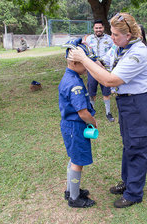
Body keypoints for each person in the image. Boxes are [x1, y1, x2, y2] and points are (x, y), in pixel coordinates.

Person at [68, 13, 147, 208]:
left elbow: (109, 80)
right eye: (112, 33)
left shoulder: (139, 52)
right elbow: (102, 64)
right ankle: (128, 182)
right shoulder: (121, 47)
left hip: (138, 104)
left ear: (129, 34)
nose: (112, 38)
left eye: (116, 34)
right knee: (128, 145)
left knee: (136, 147)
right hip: (126, 103)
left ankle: (134, 193)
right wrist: (88, 55)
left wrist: (83, 59)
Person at [59, 38, 98, 208]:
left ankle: (70, 190)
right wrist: (94, 122)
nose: (87, 66)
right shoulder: (74, 83)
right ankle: (74, 198)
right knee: (78, 162)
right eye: (85, 63)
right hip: (76, 126)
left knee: (74, 158)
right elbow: (82, 112)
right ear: (74, 62)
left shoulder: (70, 76)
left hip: (70, 126)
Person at [85, 20, 115, 122]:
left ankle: (108, 113)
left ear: (103, 28)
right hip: (92, 69)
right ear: (93, 28)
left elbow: (113, 53)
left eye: (100, 28)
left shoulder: (109, 39)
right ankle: (91, 112)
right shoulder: (89, 39)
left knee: (106, 92)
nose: (98, 30)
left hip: (104, 69)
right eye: (96, 28)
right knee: (91, 92)